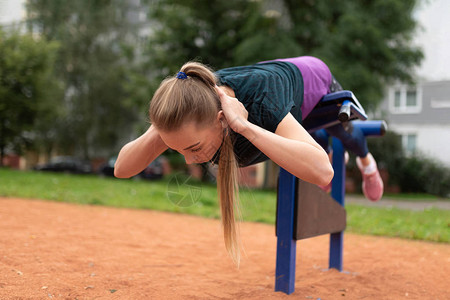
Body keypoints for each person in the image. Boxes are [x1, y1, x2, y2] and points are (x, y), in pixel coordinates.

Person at [114, 56, 384, 266]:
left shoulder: (262, 102)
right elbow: (122, 169)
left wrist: (244, 126)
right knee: (312, 140)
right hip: (276, 88)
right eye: (178, 150)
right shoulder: (191, 108)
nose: (188, 161)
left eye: (193, 148)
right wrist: (158, 132)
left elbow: (323, 174)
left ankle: (366, 162)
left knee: (343, 131)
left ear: (222, 120)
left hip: (312, 77)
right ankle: (328, 148)